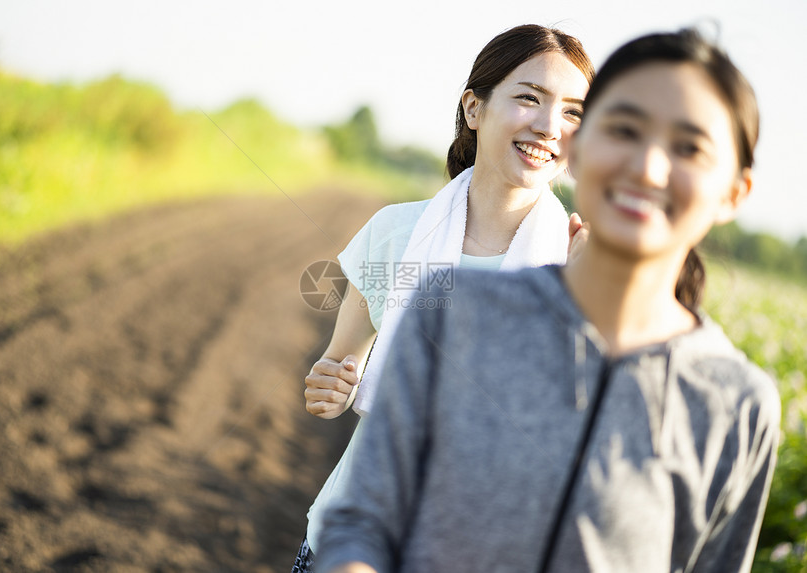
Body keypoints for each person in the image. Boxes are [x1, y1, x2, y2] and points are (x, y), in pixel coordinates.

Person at [316, 28, 781, 573]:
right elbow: (363, 517)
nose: (648, 167)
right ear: (583, 154)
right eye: (626, 130)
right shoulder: (463, 308)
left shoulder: (737, 404)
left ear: (734, 192)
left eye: (690, 147)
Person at [293, 24, 595, 572]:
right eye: (529, 97)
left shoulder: (584, 266)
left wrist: (578, 305)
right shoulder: (395, 232)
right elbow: (340, 368)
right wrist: (330, 384)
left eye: (573, 112)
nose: (550, 126)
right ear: (474, 109)